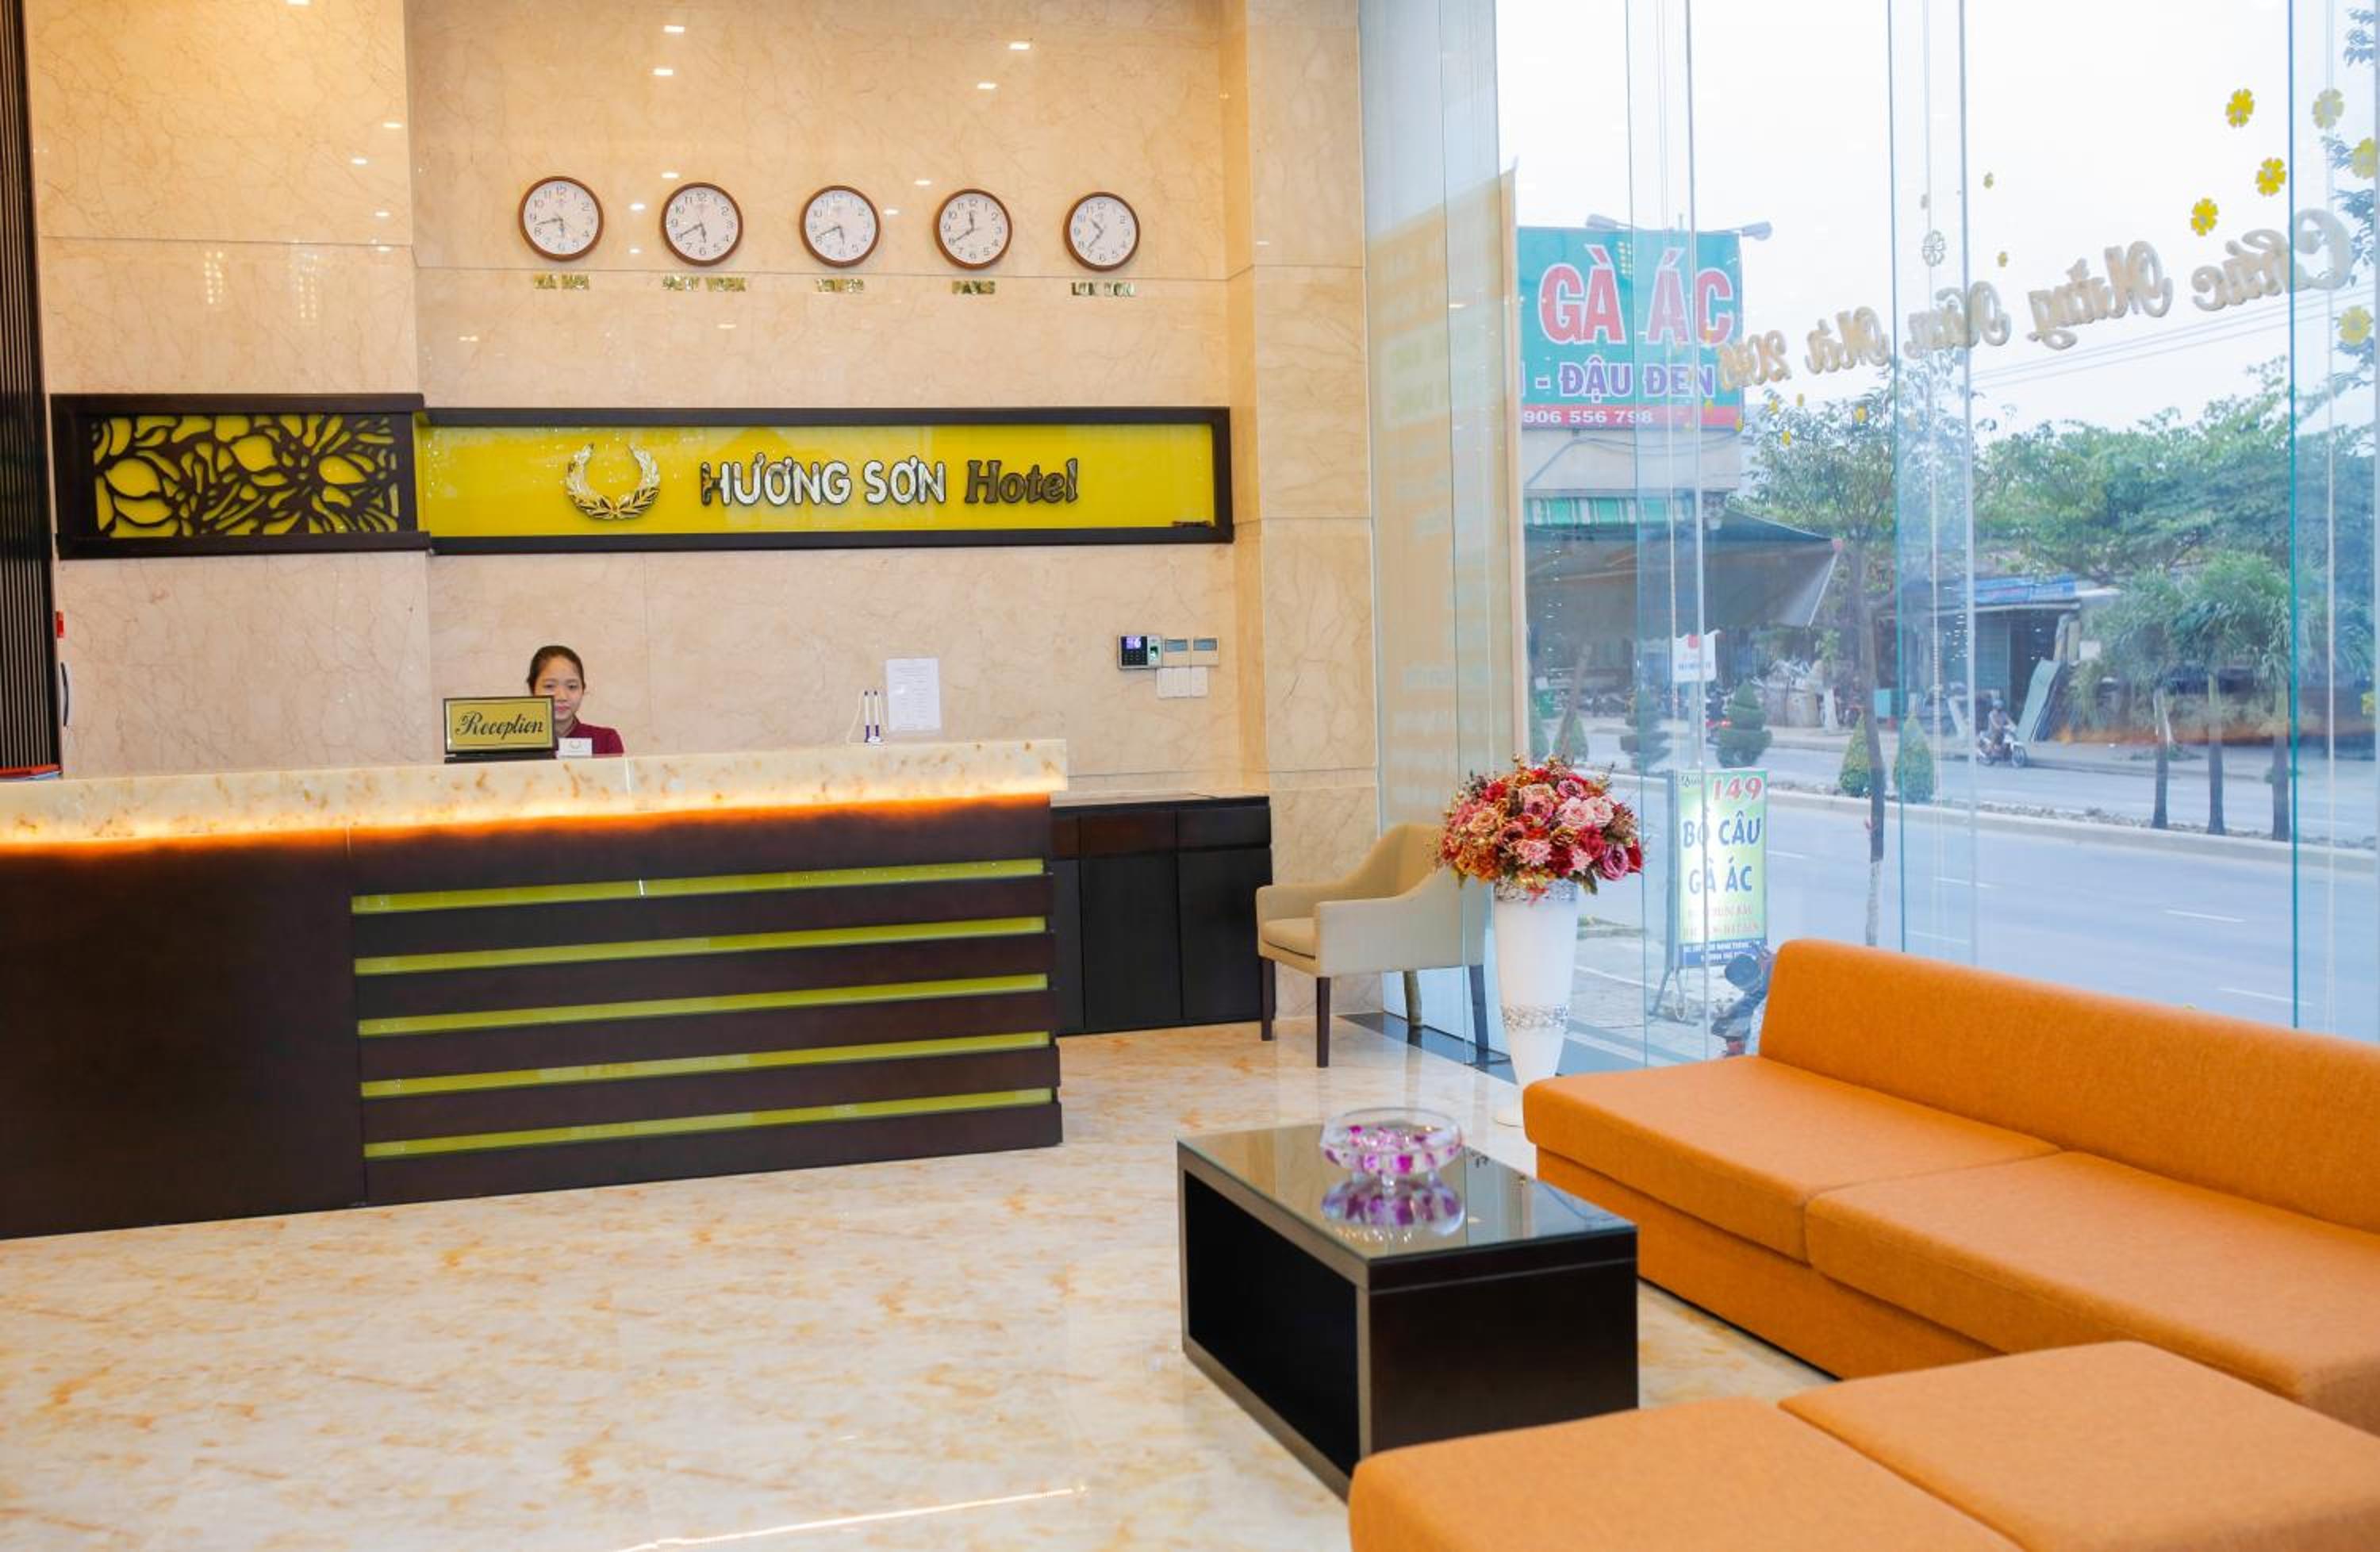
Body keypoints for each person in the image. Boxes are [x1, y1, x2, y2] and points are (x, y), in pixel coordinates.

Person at [527, 644, 624, 757]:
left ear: (583, 690)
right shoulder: (516, 744)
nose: (562, 697)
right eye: (550, 686)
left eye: (572, 687)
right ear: (532, 689)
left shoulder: (606, 740)